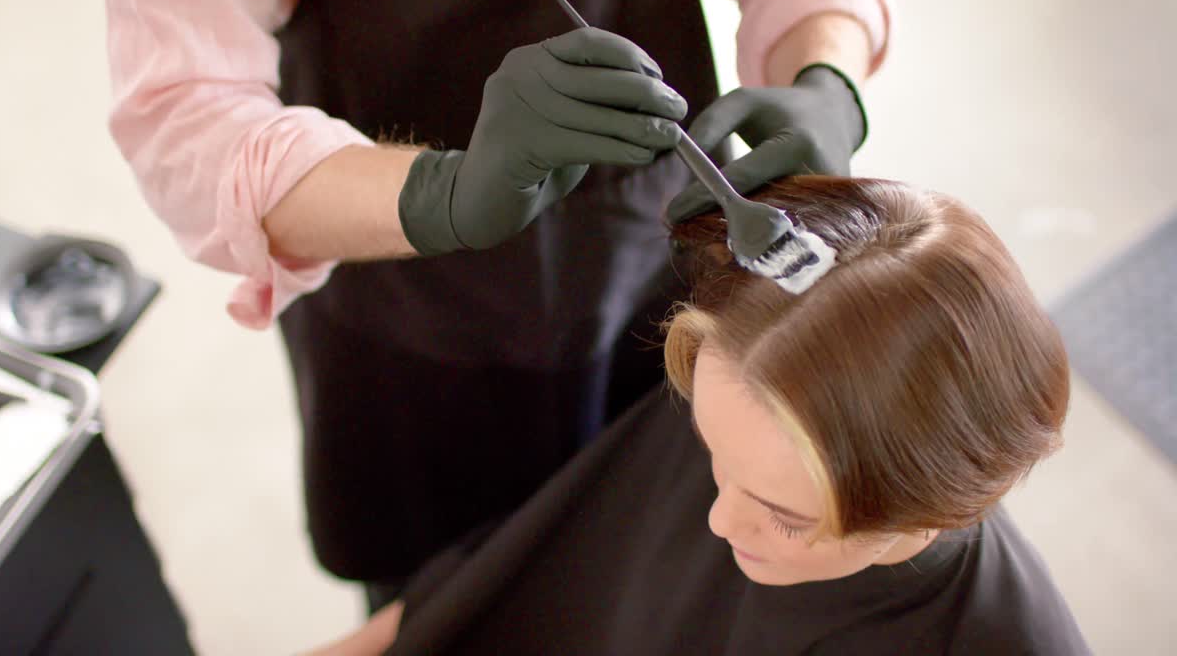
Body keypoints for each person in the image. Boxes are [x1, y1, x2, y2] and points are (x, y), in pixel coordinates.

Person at [97, 0, 892, 607]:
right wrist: (438, 195)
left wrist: (824, 79)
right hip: (400, 294)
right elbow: (185, 113)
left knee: (659, 550)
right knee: (457, 601)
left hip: (653, 239)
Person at [306, 175, 1089, 654]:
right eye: (713, 454)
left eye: (786, 517)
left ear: (933, 512)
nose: (719, 520)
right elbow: (506, 584)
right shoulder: (752, 429)